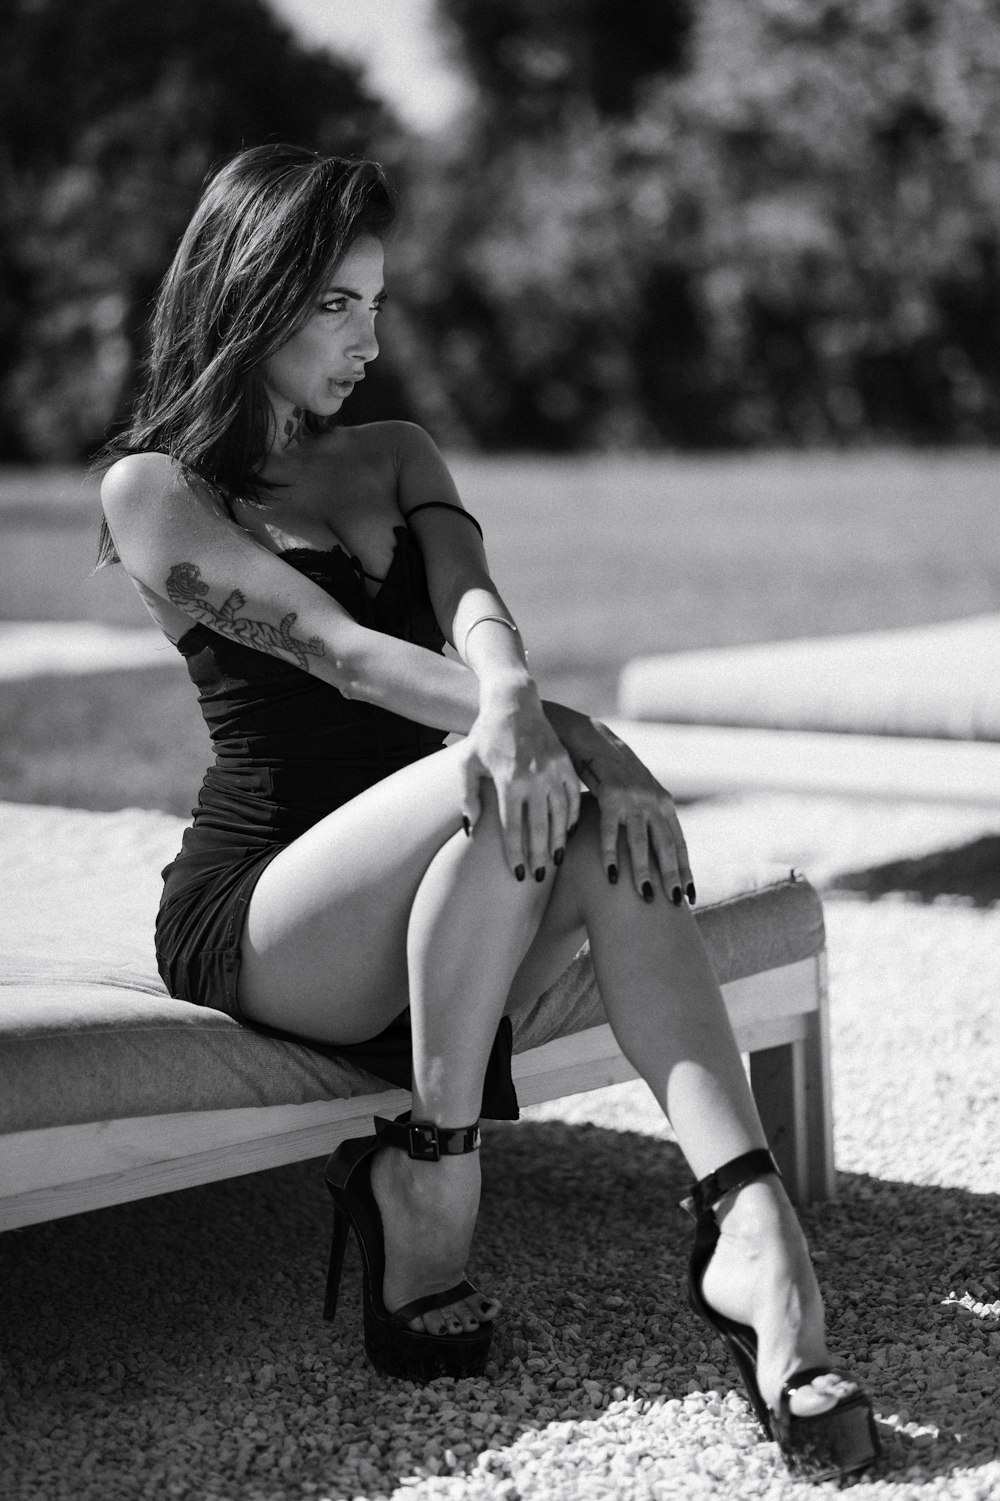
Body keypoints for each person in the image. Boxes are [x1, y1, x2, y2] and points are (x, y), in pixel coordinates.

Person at [98, 144, 879, 1479]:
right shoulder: (157, 489)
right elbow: (338, 651)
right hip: (280, 905)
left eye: (379, 302)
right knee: (532, 780)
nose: (370, 337)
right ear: (253, 289)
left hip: (469, 869)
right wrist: (571, 732)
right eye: (336, 303)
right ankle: (439, 1173)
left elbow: (472, 600)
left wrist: (518, 692)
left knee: (581, 824)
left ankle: (750, 1231)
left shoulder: (397, 449)